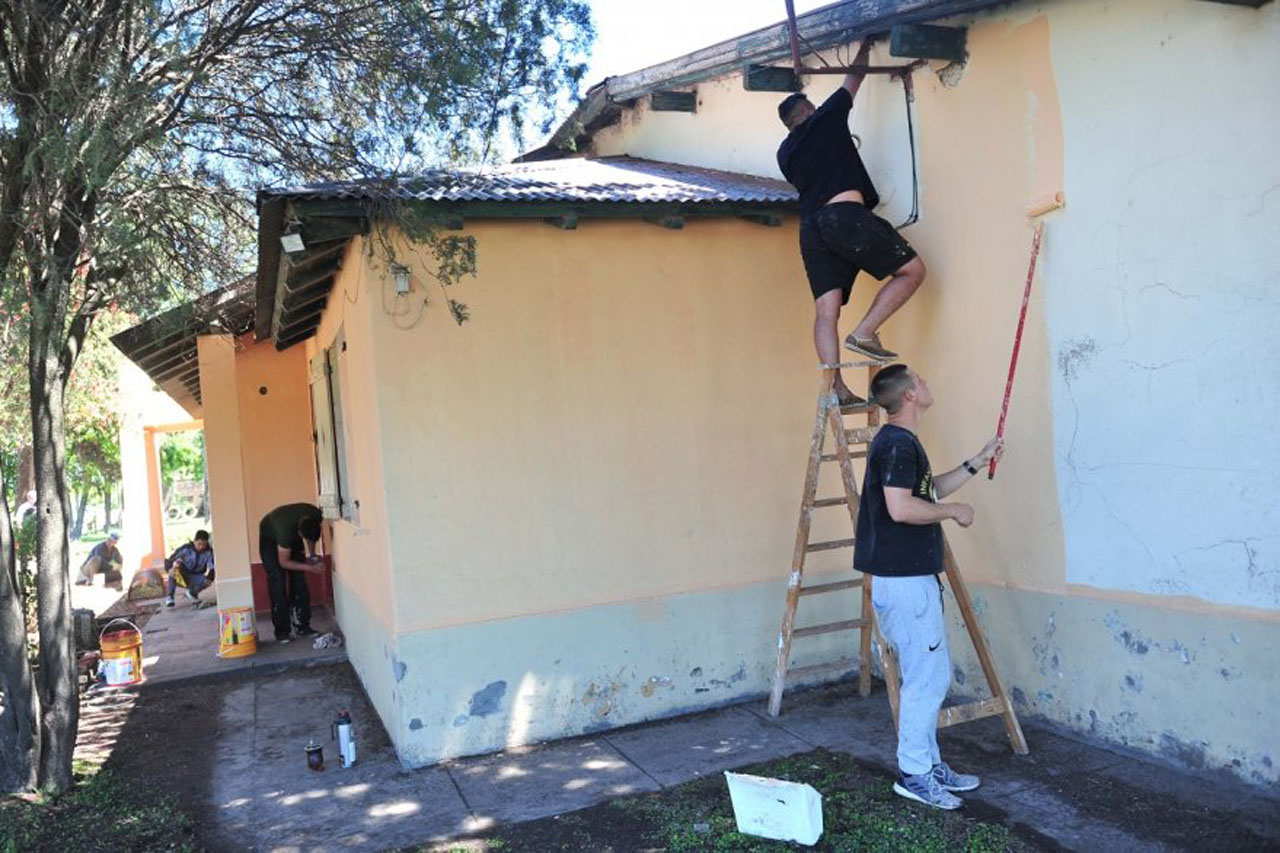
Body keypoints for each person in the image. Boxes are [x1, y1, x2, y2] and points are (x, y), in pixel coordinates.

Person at [854, 364, 1002, 809]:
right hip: (904, 584)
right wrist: (954, 512)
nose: (928, 382)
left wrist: (976, 462)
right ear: (910, 396)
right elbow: (902, 509)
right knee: (926, 680)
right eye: (921, 380)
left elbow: (924, 493)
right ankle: (915, 774)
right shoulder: (898, 444)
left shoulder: (898, 443)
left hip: (906, 582)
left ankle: (928, 764)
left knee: (930, 675)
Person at [776, 38, 927, 406]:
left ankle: (837, 390)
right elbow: (853, 79)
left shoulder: (784, 153)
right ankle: (864, 332)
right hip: (844, 215)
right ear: (809, 109)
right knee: (913, 271)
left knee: (826, 312)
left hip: (811, 230)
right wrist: (865, 46)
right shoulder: (825, 118)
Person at [258, 503, 324, 644]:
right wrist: (310, 568)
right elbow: (284, 562)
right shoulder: (285, 530)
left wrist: (312, 556)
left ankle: (302, 626)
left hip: (291, 531)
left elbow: (311, 537)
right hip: (269, 536)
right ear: (299, 533)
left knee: (299, 582)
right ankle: (282, 632)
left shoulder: (316, 516)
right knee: (277, 581)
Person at [165, 529, 216, 607]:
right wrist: (169, 569)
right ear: (194, 541)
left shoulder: (208, 552)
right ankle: (170, 597)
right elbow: (170, 559)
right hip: (181, 576)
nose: (201, 547)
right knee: (173, 572)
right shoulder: (186, 549)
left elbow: (212, 568)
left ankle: (192, 593)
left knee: (207, 581)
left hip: (195, 577)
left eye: (204, 544)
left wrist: (210, 578)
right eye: (199, 544)